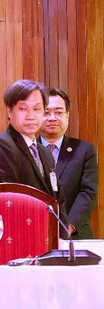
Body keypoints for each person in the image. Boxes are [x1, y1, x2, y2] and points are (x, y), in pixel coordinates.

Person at [0, 79, 68, 228]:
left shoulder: (44, 152)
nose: (31, 116)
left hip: (51, 238)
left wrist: (62, 235)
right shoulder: (0, 146)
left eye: (37, 109)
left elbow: (58, 197)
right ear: (9, 111)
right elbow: (9, 201)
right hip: (21, 235)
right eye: (23, 109)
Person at [40, 88, 98, 239]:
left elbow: (88, 192)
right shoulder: (26, 151)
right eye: (46, 112)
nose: (52, 118)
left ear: (68, 115)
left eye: (58, 112)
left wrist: (68, 226)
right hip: (35, 233)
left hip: (75, 235)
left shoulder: (84, 150)